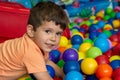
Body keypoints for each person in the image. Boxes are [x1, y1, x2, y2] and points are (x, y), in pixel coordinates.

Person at [0, 1, 69, 80]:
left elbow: (46, 61)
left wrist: (63, 75)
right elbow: (43, 77)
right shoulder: (30, 51)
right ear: (31, 31)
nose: (53, 38)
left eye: (58, 33)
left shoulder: (40, 43)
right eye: (48, 31)